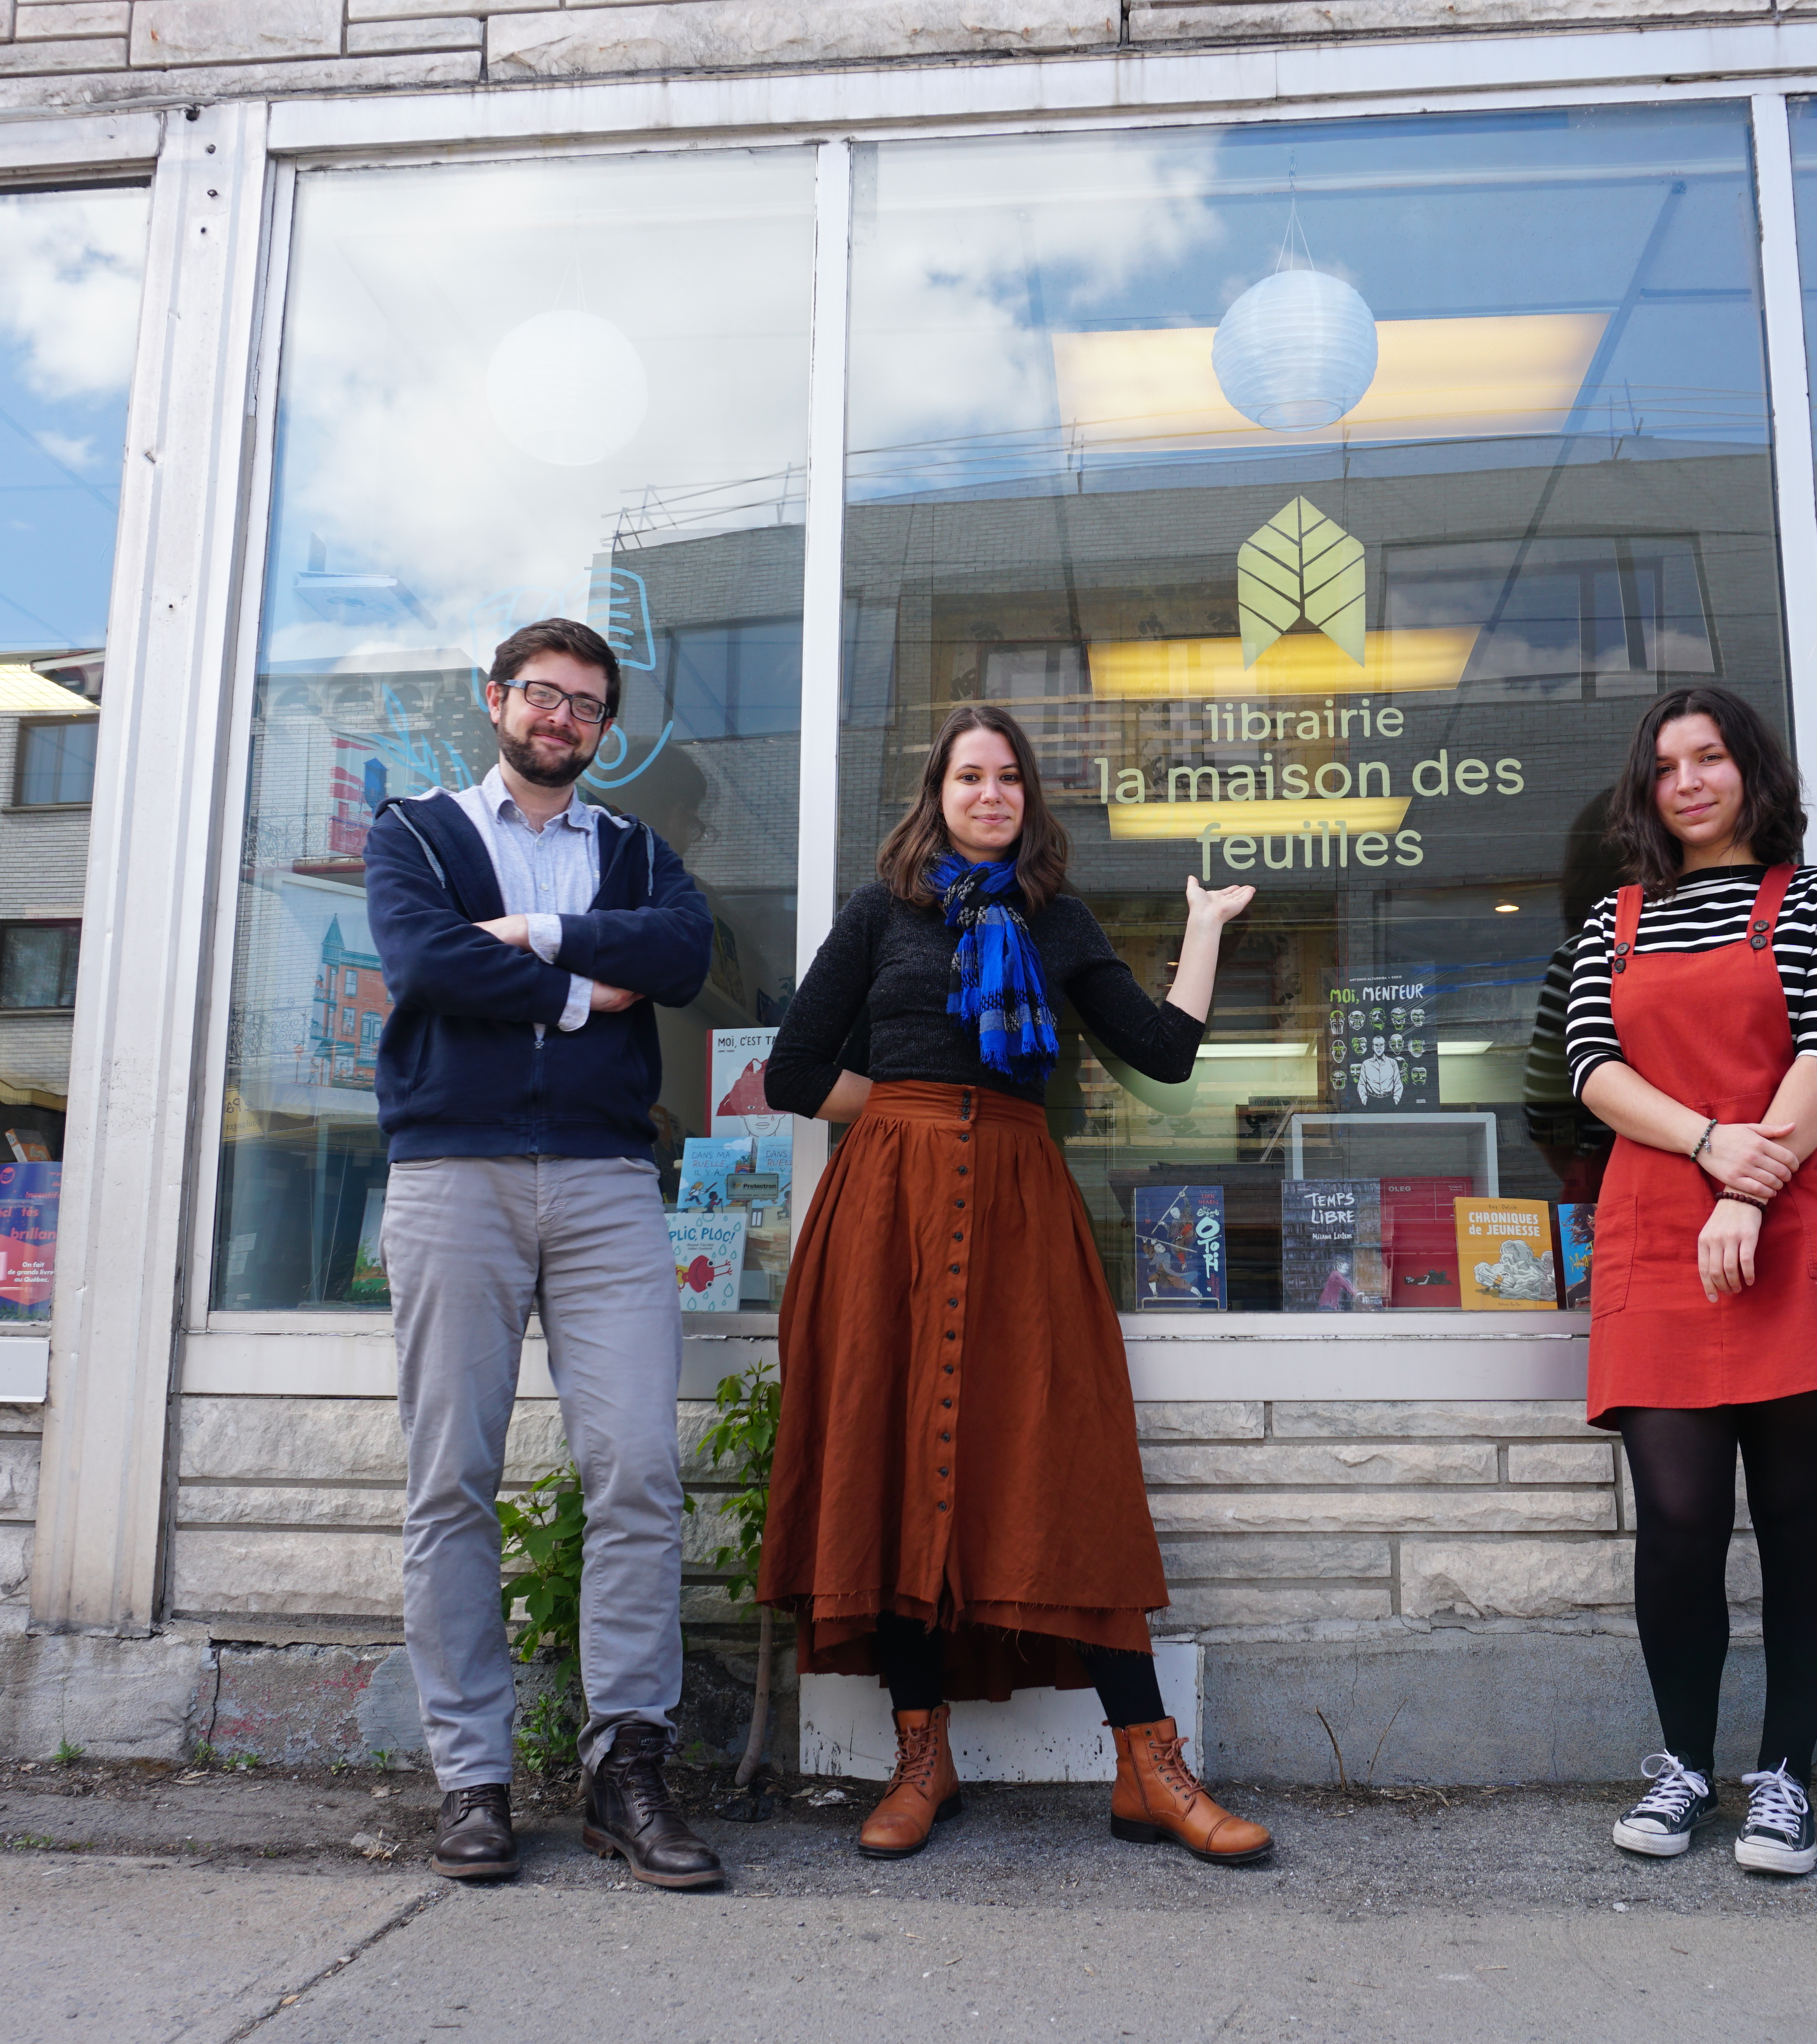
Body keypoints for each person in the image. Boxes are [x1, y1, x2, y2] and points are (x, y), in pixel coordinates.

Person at [759, 703, 1274, 1868]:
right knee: (893, 1462)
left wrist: (1201, 929)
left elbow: (1166, 1053)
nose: (989, 794)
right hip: (887, 1213)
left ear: (1030, 799)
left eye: (1008, 779)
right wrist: (905, 1117)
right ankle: (919, 1755)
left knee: (1064, 1466)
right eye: (968, 775)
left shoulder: (1061, 919)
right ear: (936, 790)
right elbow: (794, 1068)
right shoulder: (880, 911)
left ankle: (1149, 1761)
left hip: (1019, 1213)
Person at [363, 616, 723, 1890]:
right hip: (453, 1171)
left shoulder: (632, 848)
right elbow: (424, 958)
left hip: (608, 1178)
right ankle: (472, 1776)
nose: (560, 718)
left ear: (605, 730)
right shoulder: (417, 830)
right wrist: (583, 987)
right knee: (449, 1480)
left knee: (635, 1467)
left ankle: (627, 1769)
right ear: (497, 699)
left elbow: (683, 952)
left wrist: (536, 938)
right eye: (541, 695)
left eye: (585, 705)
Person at [1564, 683, 1817, 1878]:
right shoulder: (1618, 918)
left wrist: (1751, 1191)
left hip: (1795, 1226)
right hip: (1658, 1232)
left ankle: (1787, 1778)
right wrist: (1711, 1152)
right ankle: (1685, 1765)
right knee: (1683, 1516)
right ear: (1646, 791)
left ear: (1753, 771)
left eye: (1712, 757)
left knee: (1802, 1515)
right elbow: (1594, 1070)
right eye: (1667, 765)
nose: (1690, 780)